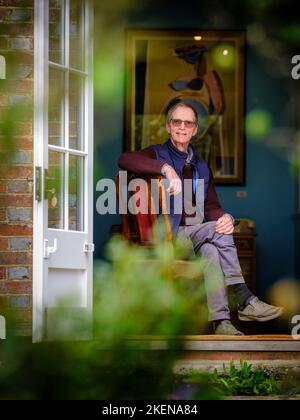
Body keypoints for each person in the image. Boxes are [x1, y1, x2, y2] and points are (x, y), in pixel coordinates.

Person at [118, 100, 283, 335]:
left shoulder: (201, 166)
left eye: (188, 123)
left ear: (195, 129)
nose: (182, 127)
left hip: (193, 237)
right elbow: (124, 159)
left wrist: (225, 217)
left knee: (213, 249)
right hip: (166, 237)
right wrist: (164, 168)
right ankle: (244, 298)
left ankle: (221, 322)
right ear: (168, 126)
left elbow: (212, 206)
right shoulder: (157, 154)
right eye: (177, 122)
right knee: (217, 231)